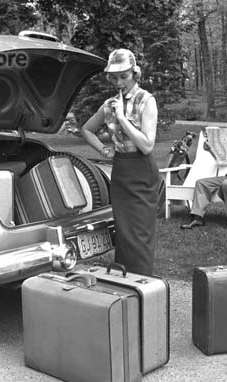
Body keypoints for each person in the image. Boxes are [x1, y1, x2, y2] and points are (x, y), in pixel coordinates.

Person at [81, 48, 159, 276]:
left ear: (135, 74)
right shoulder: (109, 105)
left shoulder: (147, 101)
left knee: (140, 234)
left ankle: (143, 284)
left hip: (142, 171)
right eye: (114, 77)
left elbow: (147, 145)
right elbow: (87, 130)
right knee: (124, 233)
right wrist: (105, 150)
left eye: (123, 76)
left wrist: (123, 120)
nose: (118, 82)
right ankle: (125, 283)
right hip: (121, 171)